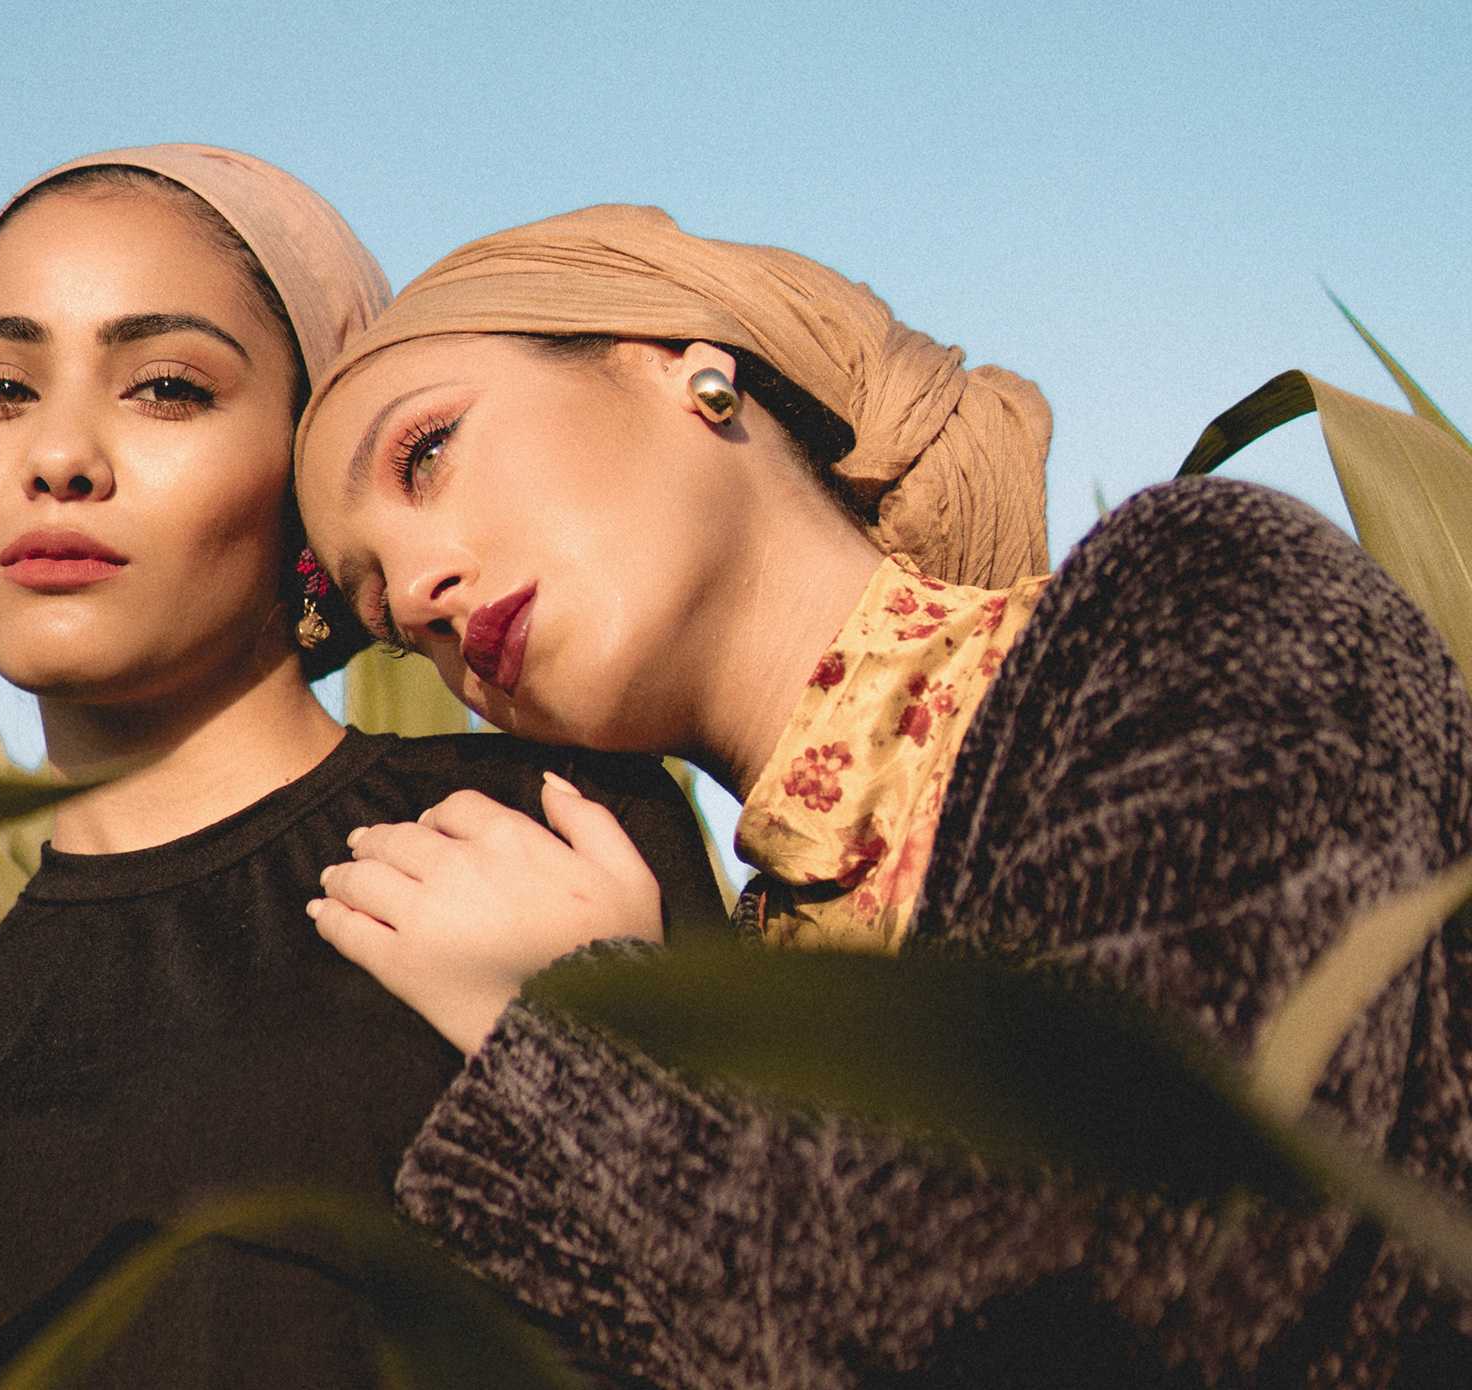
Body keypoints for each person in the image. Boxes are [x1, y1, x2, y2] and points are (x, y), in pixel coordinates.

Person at [293, 203, 1472, 1385]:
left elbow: (1168, 1243)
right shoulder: (735, 966)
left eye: (426, 453)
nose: (421, 589)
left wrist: (576, 1043)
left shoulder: (1195, 598)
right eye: (385, 614)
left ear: (684, 366)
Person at [0, 157, 723, 1388]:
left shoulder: (542, 829)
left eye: (167, 388)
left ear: (310, 480)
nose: (57, 456)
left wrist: (590, 1072)